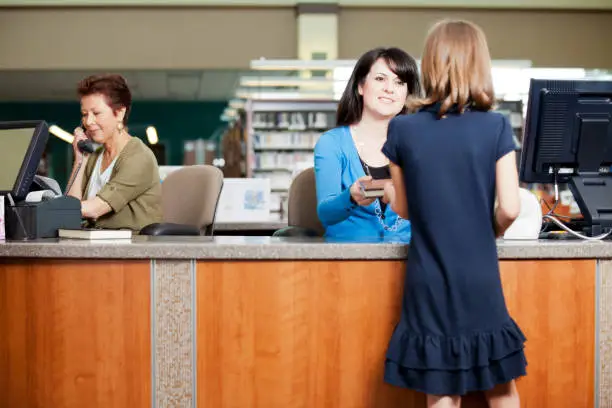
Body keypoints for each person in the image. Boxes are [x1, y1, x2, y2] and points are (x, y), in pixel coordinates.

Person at [381, 20, 526, 408]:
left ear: (429, 63)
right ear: (480, 63)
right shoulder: (495, 126)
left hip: (427, 277)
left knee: (442, 387)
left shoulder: (403, 130)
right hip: (479, 275)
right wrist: (488, 228)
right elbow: (511, 208)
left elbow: (405, 208)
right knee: (500, 386)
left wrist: (392, 192)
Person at [313, 47, 421, 241]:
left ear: (407, 95)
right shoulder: (332, 143)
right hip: (350, 260)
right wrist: (350, 197)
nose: (390, 88)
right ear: (360, 86)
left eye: (399, 82)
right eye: (380, 79)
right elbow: (325, 214)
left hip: (408, 259)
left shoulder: (420, 144)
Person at [66, 74, 162, 231]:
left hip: (129, 249)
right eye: (85, 114)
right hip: (94, 244)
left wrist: (49, 211)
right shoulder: (94, 156)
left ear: (120, 113)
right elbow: (71, 207)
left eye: (96, 113)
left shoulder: (138, 157)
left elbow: (95, 209)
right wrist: (79, 160)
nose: (88, 122)